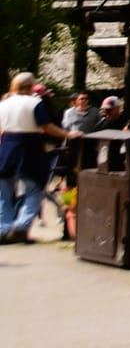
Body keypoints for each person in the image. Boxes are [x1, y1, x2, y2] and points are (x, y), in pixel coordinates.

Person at [0, 74, 84, 244]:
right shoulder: (34, 103)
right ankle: (21, 226)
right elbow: (46, 126)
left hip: (7, 146)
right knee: (34, 189)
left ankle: (4, 229)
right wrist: (67, 134)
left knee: (4, 192)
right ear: (30, 86)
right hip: (29, 146)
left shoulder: (3, 103)